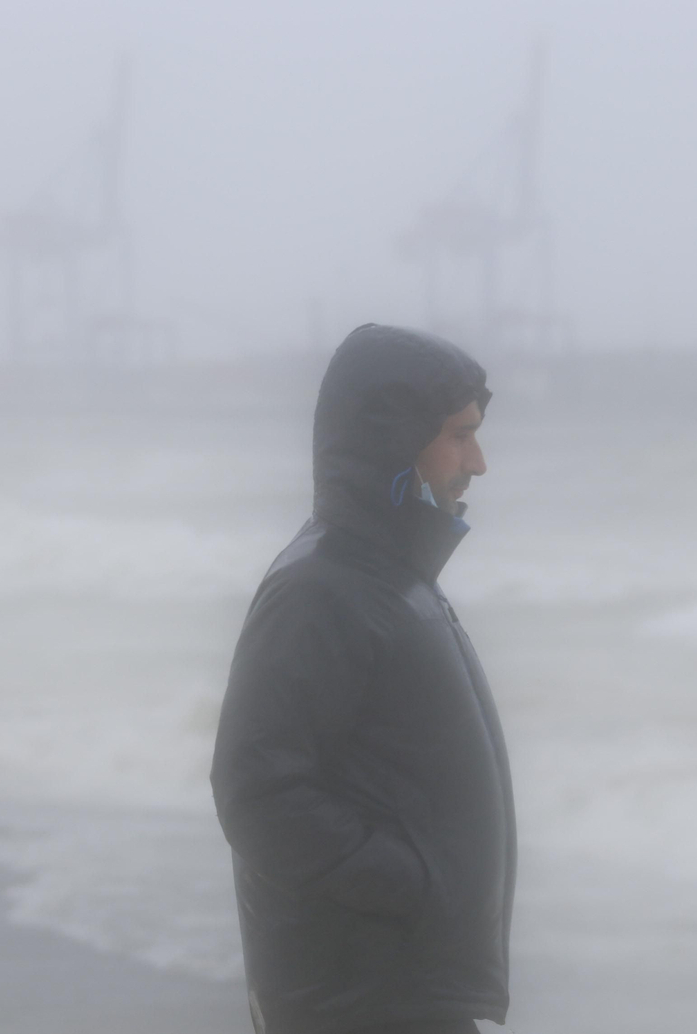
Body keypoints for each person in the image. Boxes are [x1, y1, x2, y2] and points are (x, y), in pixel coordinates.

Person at [211, 323, 517, 1034]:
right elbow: (257, 790)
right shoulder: (321, 589)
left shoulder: (387, 574)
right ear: (394, 437)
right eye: (459, 435)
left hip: (400, 990)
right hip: (359, 1000)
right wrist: (408, 885)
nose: (478, 461)